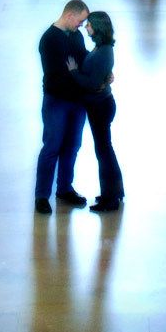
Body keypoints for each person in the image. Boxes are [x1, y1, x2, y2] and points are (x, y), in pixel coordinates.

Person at [35, 0, 91, 214]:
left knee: (72, 146)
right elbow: (57, 75)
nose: (82, 27)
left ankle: (64, 189)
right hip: (57, 101)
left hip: (77, 102)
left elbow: (82, 59)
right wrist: (77, 74)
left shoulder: (75, 35)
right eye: (80, 21)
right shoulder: (49, 39)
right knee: (52, 146)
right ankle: (42, 196)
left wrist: (93, 69)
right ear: (69, 15)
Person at [69, 11, 123, 212]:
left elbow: (91, 84)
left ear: (98, 27)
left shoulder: (103, 51)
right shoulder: (103, 48)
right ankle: (113, 192)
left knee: (104, 151)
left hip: (99, 107)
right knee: (105, 150)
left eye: (89, 24)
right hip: (101, 105)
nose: (86, 26)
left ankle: (110, 198)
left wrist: (74, 71)